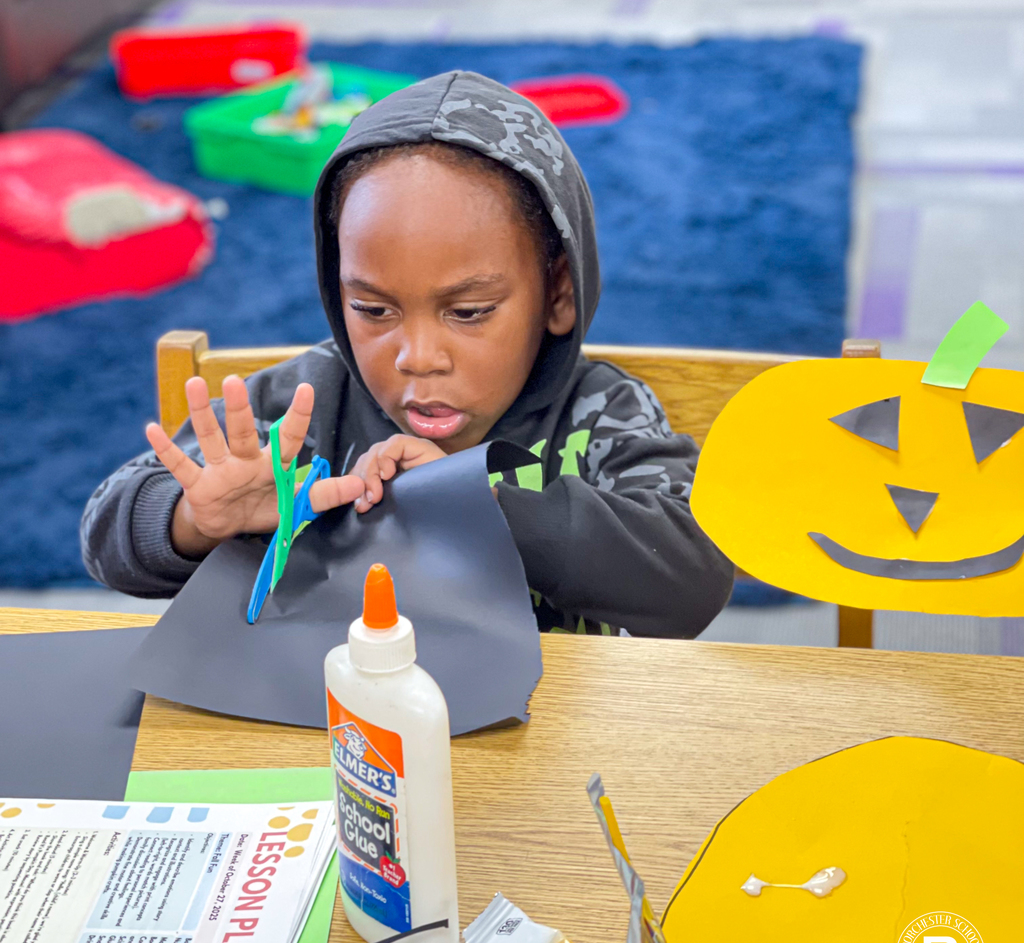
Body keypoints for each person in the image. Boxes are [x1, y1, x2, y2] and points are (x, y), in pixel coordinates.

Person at [81, 70, 732, 638]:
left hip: (554, 754)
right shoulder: (300, 409)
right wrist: (194, 519)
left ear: (558, 291)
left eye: (468, 312)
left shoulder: (599, 411)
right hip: (331, 742)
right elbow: (105, 533)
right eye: (374, 310)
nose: (417, 358)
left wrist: (467, 503)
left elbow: (693, 580)